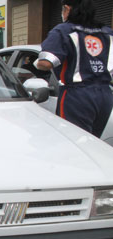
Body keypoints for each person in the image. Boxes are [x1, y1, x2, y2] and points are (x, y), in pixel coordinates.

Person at [36, 0, 113, 137]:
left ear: (66, 9)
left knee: (72, 140)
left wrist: (36, 63)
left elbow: (46, 63)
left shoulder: (64, 30)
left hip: (77, 96)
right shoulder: (107, 32)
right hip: (105, 95)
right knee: (93, 141)